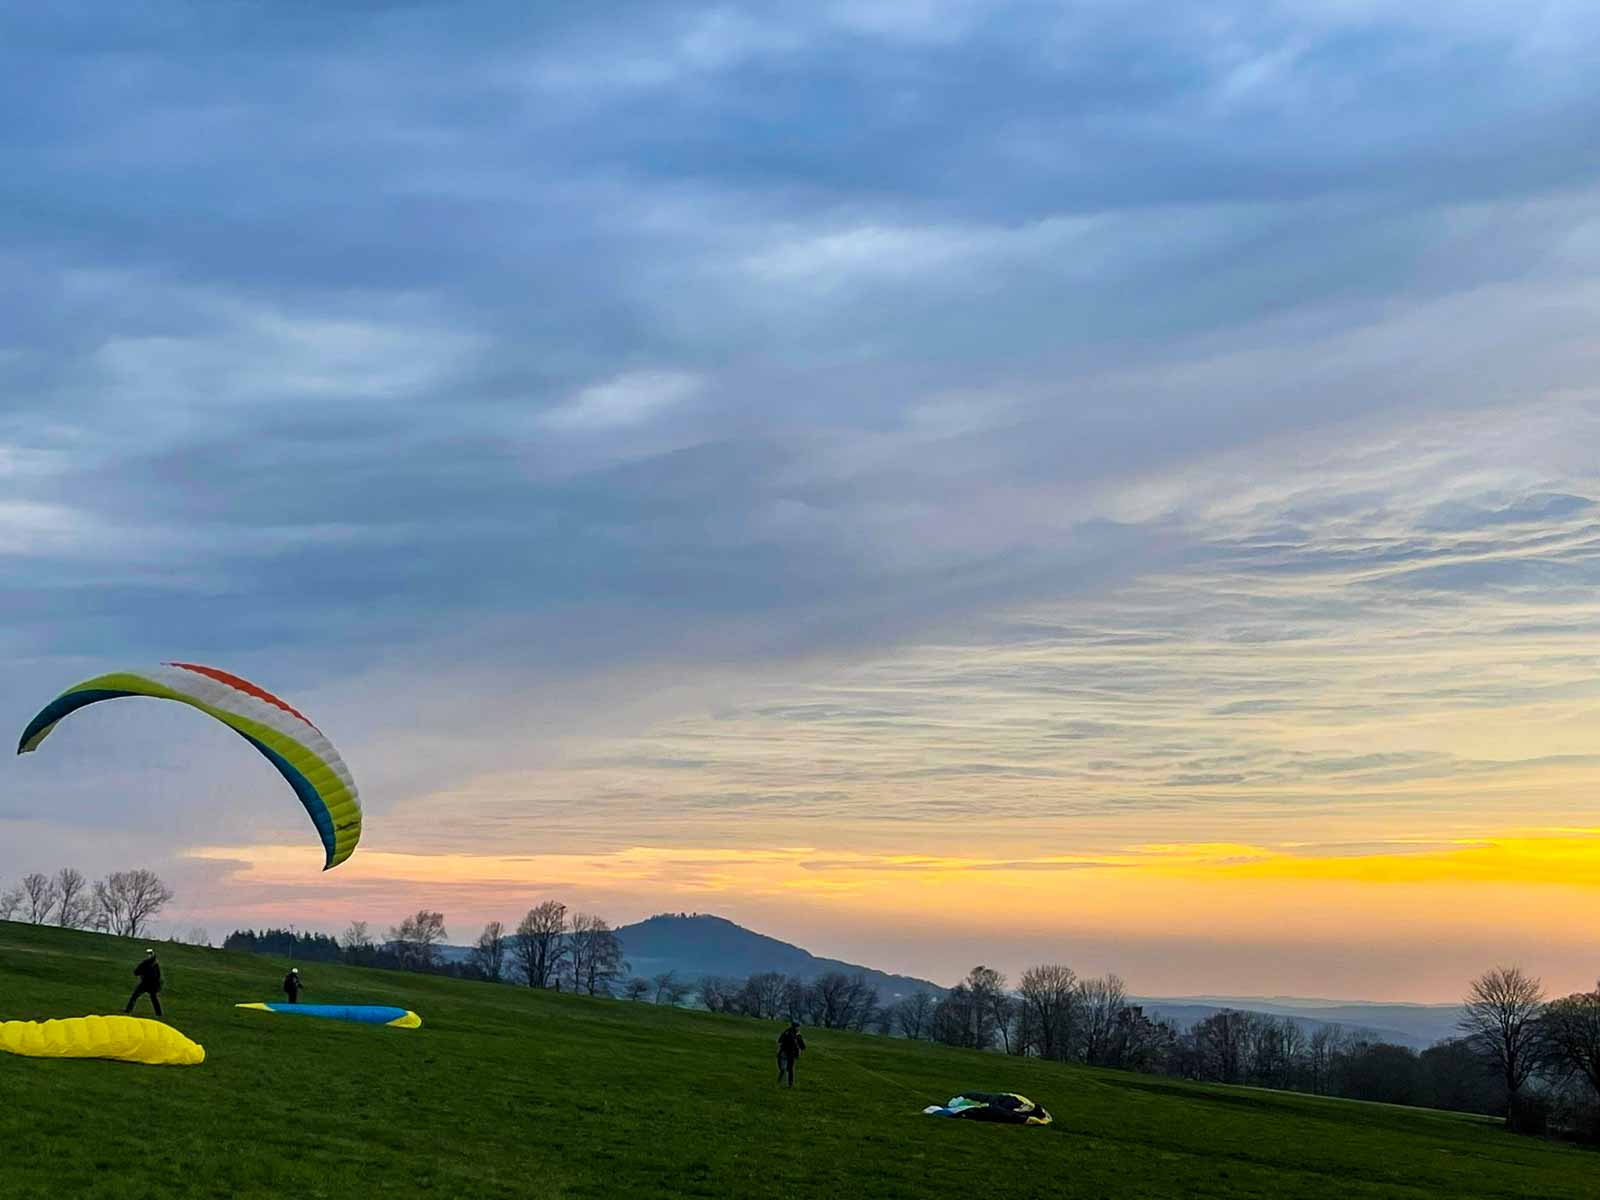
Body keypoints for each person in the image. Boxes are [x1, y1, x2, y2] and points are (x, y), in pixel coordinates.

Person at [125, 948, 163, 1017]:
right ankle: (158, 1013)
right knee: (138, 996)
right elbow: (136, 972)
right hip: (148, 984)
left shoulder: (148, 964)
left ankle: (128, 1010)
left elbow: (137, 972)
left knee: (136, 996)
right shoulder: (153, 964)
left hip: (149, 984)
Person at [776, 1021, 806, 1088]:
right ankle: (780, 1082)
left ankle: (789, 1084)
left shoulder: (797, 1035)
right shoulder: (787, 1033)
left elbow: (803, 1046)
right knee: (783, 1069)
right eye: (797, 1027)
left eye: (798, 1027)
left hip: (791, 1054)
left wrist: (799, 1044)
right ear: (794, 1027)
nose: (798, 1028)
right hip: (785, 1053)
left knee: (789, 1069)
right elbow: (780, 1040)